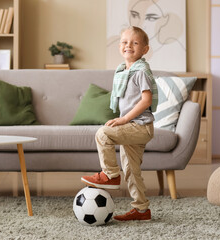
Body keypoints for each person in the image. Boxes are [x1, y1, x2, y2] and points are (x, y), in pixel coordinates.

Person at [81, 26, 158, 221]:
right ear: (119, 46)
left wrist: (124, 119)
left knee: (103, 134)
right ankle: (142, 210)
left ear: (145, 49)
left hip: (140, 126)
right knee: (132, 170)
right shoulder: (123, 70)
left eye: (135, 43)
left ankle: (110, 174)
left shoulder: (141, 71)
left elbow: (146, 100)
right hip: (133, 127)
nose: (129, 46)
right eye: (125, 42)